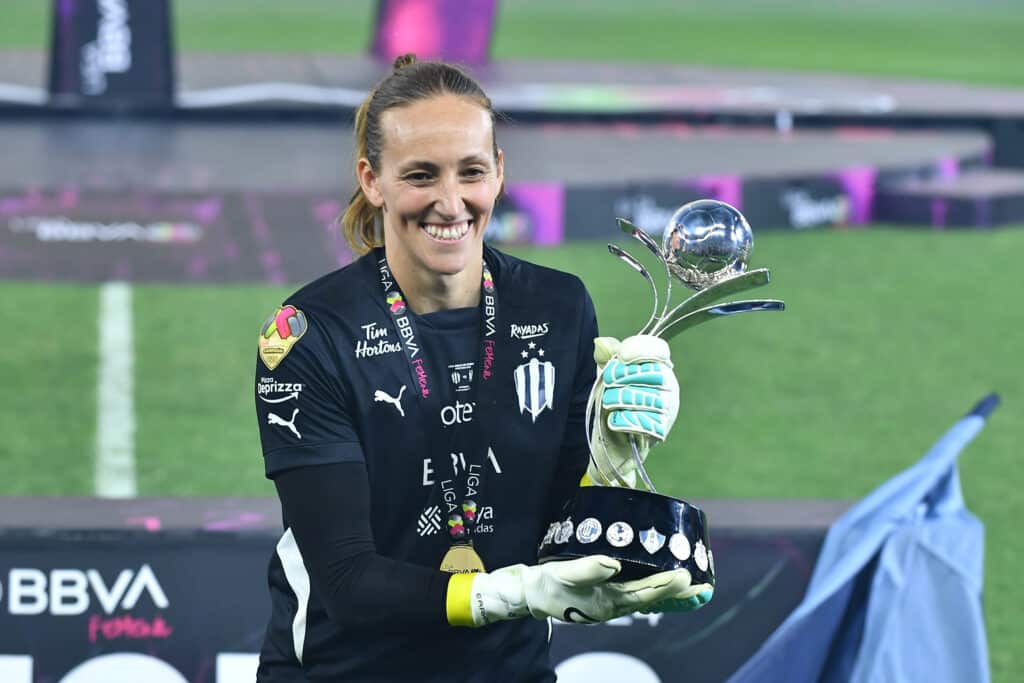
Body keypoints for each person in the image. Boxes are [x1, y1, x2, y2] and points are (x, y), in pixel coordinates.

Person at [254, 55, 711, 682]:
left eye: (471, 172)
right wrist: (509, 594)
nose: (451, 202)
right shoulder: (310, 333)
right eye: (421, 175)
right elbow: (346, 580)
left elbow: (566, 517)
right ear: (372, 180)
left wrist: (619, 452)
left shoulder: (557, 306)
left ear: (498, 173)